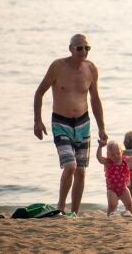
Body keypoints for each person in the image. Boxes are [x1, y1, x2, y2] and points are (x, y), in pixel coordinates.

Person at [33, 33, 107, 216]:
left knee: (81, 171)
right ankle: (60, 207)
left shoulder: (91, 69)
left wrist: (102, 127)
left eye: (87, 48)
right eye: (80, 48)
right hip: (61, 122)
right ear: (71, 48)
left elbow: (95, 99)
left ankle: (73, 213)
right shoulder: (57, 67)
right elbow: (39, 93)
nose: (84, 51)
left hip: (83, 123)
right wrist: (37, 121)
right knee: (70, 166)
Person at [96, 140, 132, 216]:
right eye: (113, 155)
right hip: (111, 190)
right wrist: (100, 147)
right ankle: (110, 217)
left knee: (129, 205)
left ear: (122, 152)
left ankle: (129, 216)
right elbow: (99, 158)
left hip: (123, 188)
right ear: (108, 155)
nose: (116, 156)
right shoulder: (108, 162)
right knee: (112, 205)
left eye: (118, 153)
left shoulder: (124, 160)